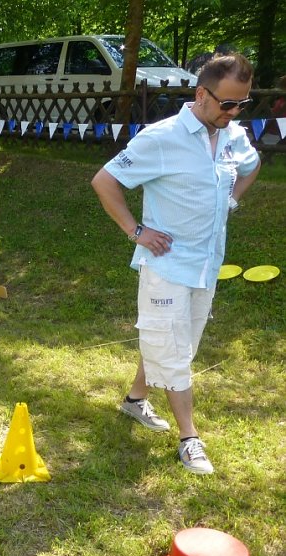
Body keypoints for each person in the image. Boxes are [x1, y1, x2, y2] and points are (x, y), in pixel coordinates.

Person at [91, 54, 261, 475]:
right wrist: (136, 232)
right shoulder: (161, 137)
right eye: (228, 104)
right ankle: (190, 437)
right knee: (174, 350)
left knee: (174, 344)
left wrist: (232, 200)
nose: (236, 112)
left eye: (244, 103)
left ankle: (134, 401)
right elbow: (105, 181)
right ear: (201, 94)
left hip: (207, 264)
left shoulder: (233, 135)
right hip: (166, 265)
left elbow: (252, 167)